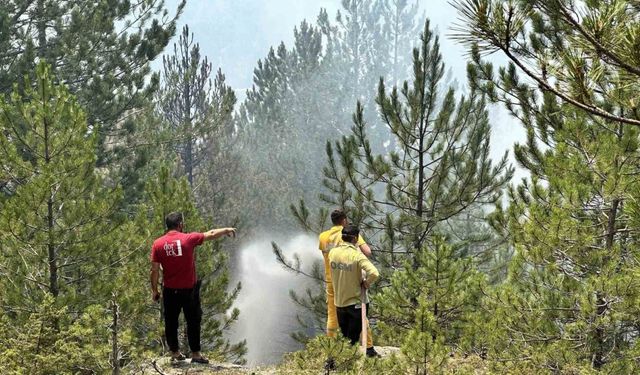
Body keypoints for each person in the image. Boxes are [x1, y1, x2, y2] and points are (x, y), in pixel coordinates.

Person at [150, 212, 236, 364]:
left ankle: (175, 353)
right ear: (180, 224)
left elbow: (154, 270)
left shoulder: (158, 244)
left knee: (171, 322)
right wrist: (226, 229)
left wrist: (155, 291)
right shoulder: (188, 239)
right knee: (193, 321)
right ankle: (196, 354)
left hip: (170, 290)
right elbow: (211, 233)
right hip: (189, 290)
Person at [318, 209, 378, 357]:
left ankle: (331, 352)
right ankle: (368, 348)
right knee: (360, 312)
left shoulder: (323, 237)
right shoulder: (348, 234)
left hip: (332, 280)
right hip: (350, 280)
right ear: (344, 220)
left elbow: (325, 256)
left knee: (332, 316)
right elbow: (367, 252)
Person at [328, 225, 379, 346]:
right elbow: (374, 273)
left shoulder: (332, 253)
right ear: (355, 239)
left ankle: (335, 361)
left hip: (339, 303)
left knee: (344, 336)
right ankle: (340, 362)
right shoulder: (356, 255)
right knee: (352, 340)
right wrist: (366, 283)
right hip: (356, 303)